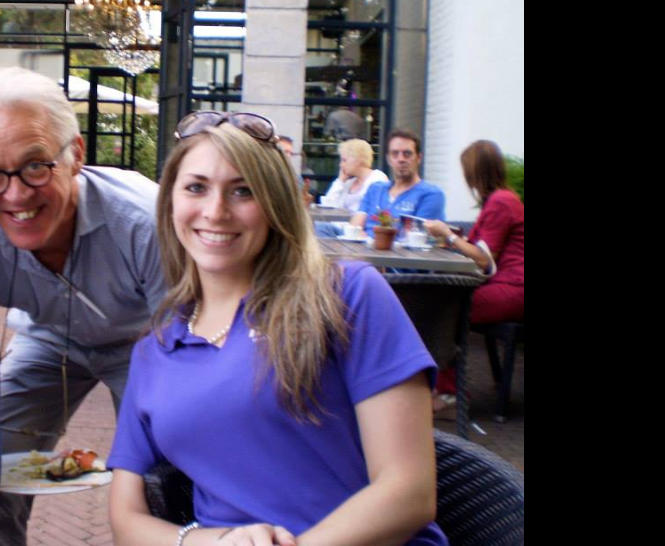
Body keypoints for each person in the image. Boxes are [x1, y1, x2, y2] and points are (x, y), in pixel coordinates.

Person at [107, 114, 443, 546]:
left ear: (275, 204)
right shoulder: (155, 350)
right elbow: (125, 518)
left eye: (243, 190)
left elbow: (409, 492)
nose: (215, 211)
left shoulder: (347, 295)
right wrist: (209, 542)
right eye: (196, 187)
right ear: (170, 201)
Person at [0, 67, 166, 545]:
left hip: (148, 344)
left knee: (166, 467)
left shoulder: (144, 222)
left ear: (76, 155)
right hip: (48, 342)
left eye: (36, 165)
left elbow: (188, 347)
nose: (16, 194)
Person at [425, 139, 523, 324]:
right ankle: (444, 351)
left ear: (476, 172)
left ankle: (443, 352)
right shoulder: (500, 198)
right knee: (436, 298)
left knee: (437, 305)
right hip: (506, 284)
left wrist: (449, 234)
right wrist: (457, 239)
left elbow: (484, 260)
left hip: (513, 287)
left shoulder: (500, 201)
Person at [351, 129, 445, 235]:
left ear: (418, 158)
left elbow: (417, 239)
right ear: (388, 159)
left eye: (407, 154)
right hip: (363, 249)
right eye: (395, 154)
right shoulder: (375, 189)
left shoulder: (431, 194)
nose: (401, 159)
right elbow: (355, 228)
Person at [322, 138, 388, 212]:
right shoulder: (348, 183)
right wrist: (340, 181)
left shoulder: (377, 178)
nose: (341, 165)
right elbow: (327, 206)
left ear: (357, 159)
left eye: (344, 160)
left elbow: (377, 211)